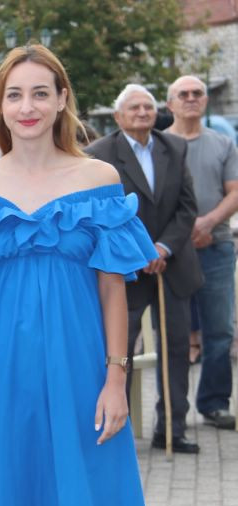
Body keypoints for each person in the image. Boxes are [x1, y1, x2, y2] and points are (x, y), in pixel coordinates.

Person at [0, 45, 152, 506]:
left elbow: (112, 291)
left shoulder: (99, 178)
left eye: (40, 93)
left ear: (61, 99)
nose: (27, 107)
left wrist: (116, 380)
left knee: (92, 491)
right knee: (14, 491)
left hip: (82, 361)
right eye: (14, 95)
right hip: (2, 365)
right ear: (0, 105)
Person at [87, 83, 203, 453]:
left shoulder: (175, 147)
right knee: (120, 351)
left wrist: (163, 247)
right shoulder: (99, 155)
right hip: (125, 273)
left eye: (148, 107)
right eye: (134, 108)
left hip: (172, 265)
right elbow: (103, 216)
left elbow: (187, 207)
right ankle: (116, 430)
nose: (142, 113)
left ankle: (172, 429)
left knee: (177, 349)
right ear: (117, 115)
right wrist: (142, 252)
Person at [166, 75, 238, 429]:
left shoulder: (223, 143)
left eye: (197, 93)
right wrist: (179, 235)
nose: (191, 98)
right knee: (173, 334)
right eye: (184, 94)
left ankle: (214, 403)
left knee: (219, 330)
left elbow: (234, 191)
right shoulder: (160, 145)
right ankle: (172, 412)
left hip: (217, 247)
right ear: (170, 104)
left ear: (206, 101)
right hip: (171, 253)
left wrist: (208, 223)